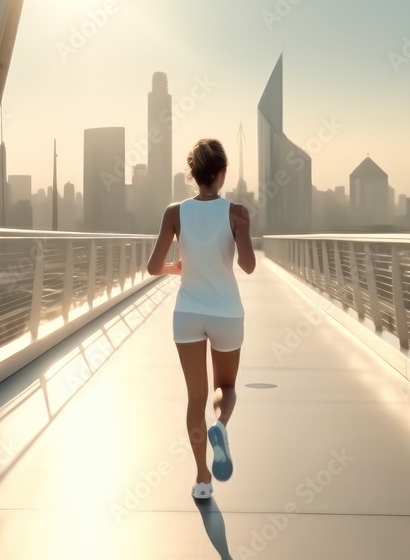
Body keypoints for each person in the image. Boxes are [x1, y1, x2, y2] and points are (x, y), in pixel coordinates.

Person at [147, 138, 256, 500]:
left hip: (187, 313)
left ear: (193, 175)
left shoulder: (174, 212)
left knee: (195, 398)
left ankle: (202, 478)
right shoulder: (237, 211)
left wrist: (175, 269)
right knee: (224, 388)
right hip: (226, 311)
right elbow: (249, 266)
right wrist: (241, 232)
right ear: (222, 173)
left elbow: (151, 267)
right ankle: (221, 425)